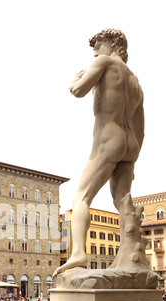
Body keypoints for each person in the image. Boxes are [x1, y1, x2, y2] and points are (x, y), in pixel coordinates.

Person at [53, 28, 144, 275]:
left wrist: (75, 79)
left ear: (112, 44)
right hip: (131, 142)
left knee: (81, 198)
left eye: (97, 47)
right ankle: (129, 257)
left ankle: (79, 253)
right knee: (123, 202)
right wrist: (132, 161)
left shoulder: (103, 62)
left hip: (108, 136)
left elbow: (78, 90)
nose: (94, 53)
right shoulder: (135, 82)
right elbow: (141, 128)